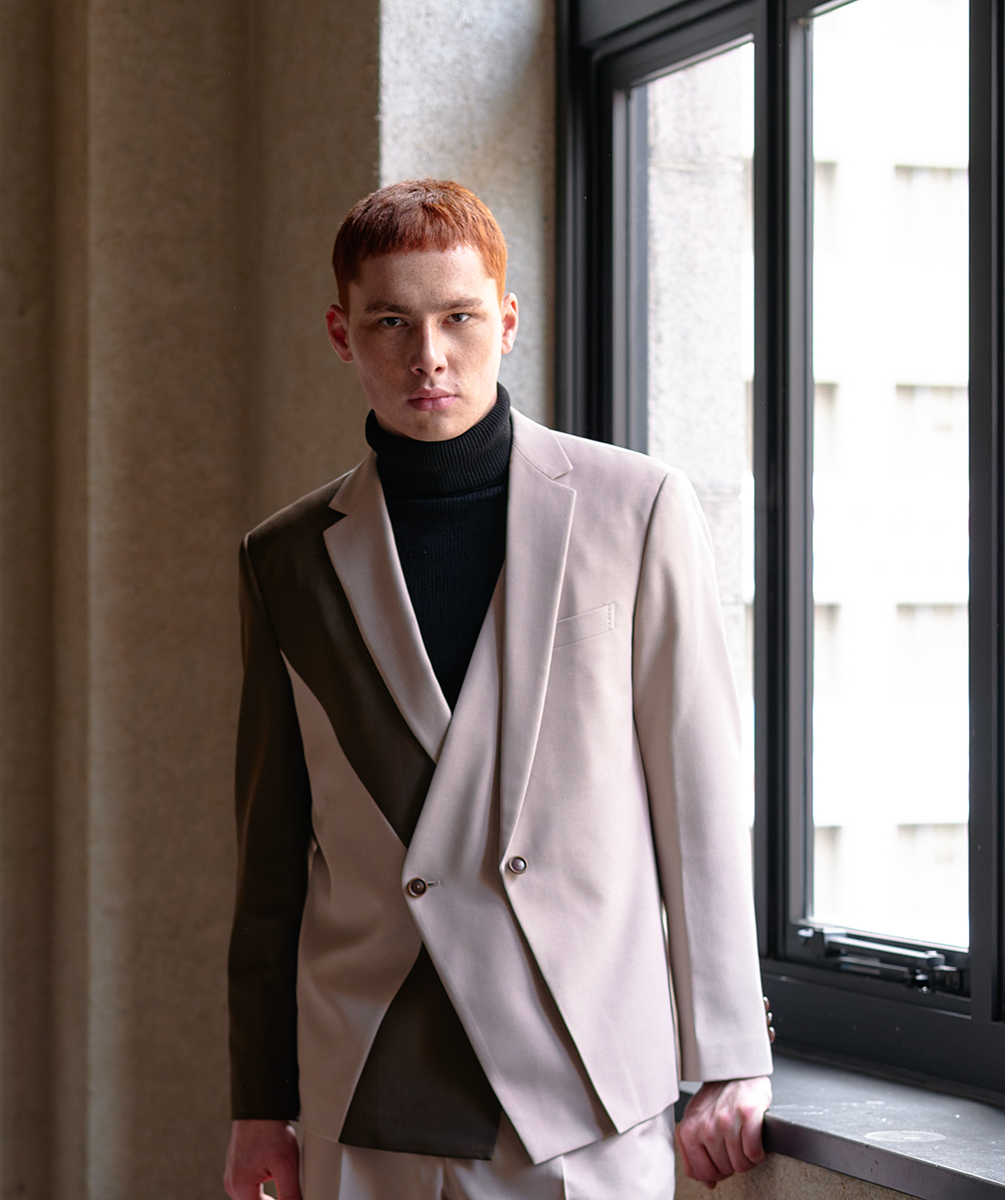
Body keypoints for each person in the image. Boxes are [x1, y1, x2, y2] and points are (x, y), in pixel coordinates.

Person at [223, 179, 772, 1200]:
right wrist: (261, 1104)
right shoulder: (285, 558)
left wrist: (732, 1053)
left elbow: (697, 797)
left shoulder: (637, 508)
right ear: (343, 335)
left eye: (459, 318)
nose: (428, 355)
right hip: (367, 1073)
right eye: (391, 322)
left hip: (583, 1080)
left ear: (507, 322)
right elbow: (270, 856)